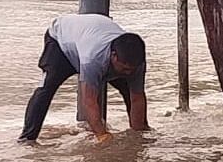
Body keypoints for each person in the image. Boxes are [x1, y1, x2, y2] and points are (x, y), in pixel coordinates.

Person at [19, 14, 150, 144]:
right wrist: (102, 135)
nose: (129, 72)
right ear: (113, 56)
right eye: (125, 69)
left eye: (132, 69)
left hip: (89, 36)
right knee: (47, 89)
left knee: (129, 89)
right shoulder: (92, 59)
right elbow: (89, 100)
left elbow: (137, 98)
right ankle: (27, 138)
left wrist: (138, 137)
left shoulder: (137, 63)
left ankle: (140, 131)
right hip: (60, 42)